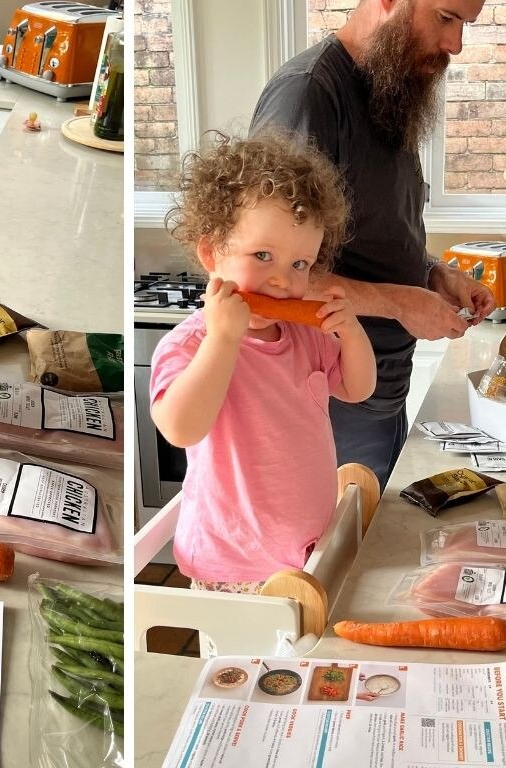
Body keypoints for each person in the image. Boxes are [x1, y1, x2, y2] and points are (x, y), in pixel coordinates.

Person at [251, 0, 496, 488]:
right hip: (327, 396)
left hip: (379, 388)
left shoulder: (391, 87)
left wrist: (431, 273)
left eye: (464, 26)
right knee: (333, 559)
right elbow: (265, 277)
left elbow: (375, 230)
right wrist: (400, 302)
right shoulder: (309, 96)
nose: (456, 45)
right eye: (446, 18)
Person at [150, 132, 377, 592]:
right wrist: (224, 339)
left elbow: (358, 388)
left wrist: (352, 333)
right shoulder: (191, 345)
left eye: (300, 264)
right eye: (263, 256)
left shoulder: (306, 335)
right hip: (234, 567)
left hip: (308, 555)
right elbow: (180, 428)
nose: (281, 279)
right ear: (213, 253)